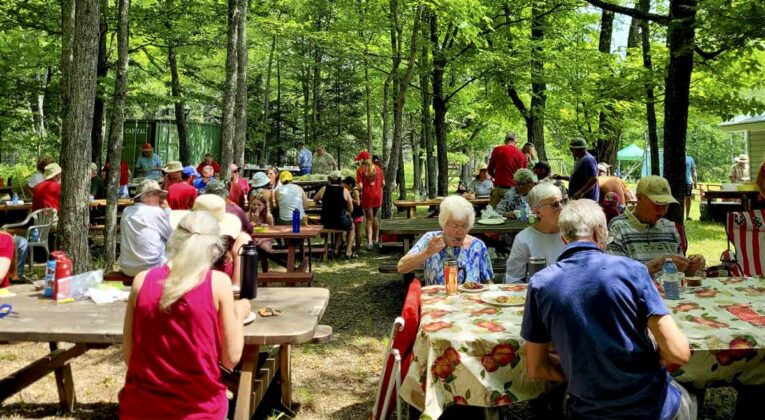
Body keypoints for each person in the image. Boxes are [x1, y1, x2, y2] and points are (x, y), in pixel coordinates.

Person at [521, 199, 696, 420]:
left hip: (588, 411)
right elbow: (678, 352)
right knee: (690, 395)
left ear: (563, 238)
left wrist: (585, 371)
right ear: (599, 233)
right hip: (651, 408)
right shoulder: (633, 271)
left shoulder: (540, 284)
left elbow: (536, 368)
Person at [120, 210, 251, 419]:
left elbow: (130, 355)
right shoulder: (218, 283)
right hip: (200, 410)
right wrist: (239, 311)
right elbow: (231, 358)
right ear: (216, 247)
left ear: (174, 239)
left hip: (141, 408)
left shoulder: (141, 281)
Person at [607, 176, 706, 277]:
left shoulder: (669, 227)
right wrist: (657, 265)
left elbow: (680, 274)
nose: (662, 211)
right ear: (639, 198)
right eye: (657, 204)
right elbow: (617, 275)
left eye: (666, 204)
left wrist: (692, 267)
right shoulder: (618, 228)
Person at [397, 195, 493, 285]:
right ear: (444, 223)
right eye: (455, 226)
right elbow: (401, 267)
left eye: (464, 226)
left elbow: (488, 283)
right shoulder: (431, 239)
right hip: (436, 301)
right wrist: (427, 252)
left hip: (470, 301)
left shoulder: (477, 246)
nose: (460, 231)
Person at [504, 183, 566, 283]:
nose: (561, 208)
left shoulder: (573, 234)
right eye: (554, 204)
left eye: (562, 201)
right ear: (538, 212)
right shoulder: (524, 239)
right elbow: (513, 279)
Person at [119, 180, 173, 276]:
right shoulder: (156, 212)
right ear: (149, 196)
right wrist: (167, 210)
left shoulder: (126, 211)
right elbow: (172, 236)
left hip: (127, 268)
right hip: (151, 267)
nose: (160, 199)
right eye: (158, 195)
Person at [313, 171, 356, 259]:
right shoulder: (345, 191)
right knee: (352, 226)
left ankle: (336, 249)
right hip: (340, 221)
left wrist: (322, 202)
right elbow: (351, 209)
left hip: (326, 222)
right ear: (340, 180)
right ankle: (348, 251)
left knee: (340, 224)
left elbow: (315, 199)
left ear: (329, 180)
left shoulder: (324, 189)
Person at [487, 133, 527, 207]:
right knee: (513, 216)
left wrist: (499, 178)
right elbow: (524, 178)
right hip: (515, 193)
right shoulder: (522, 156)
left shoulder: (497, 150)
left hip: (500, 190)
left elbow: (489, 170)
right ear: (516, 142)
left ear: (505, 140)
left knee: (491, 216)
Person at [356, 150, 385, 250]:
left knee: (369, 219)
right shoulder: (378, 169)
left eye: (359, 160)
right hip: (378, 196)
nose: (358, 162)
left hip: (367, 196)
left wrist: (357, 190)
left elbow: (360, 186)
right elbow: (383, 184)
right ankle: (376, 240)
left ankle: (369, 243)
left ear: (363, 160)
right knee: (375, 217)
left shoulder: (360, 170)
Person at [343, 176, 364, 255]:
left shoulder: (355, 191)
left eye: (345, 184)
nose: (344, 186)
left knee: (358, 232)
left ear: (350, 185)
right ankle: (351, 246)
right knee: (352, 231)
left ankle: (358, 248)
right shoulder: (349, 191)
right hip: (353, 214)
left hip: (358, 214)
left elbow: (358, 203)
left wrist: (349, 199)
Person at [685, 155, 698, 220]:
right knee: (681, 199)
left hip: (688, 181)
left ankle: (687, 215)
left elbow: (694, 170)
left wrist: (695, 181)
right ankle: (680, 215)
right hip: (679, 182)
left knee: (688, 198)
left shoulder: (690, 159)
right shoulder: (677, 158)